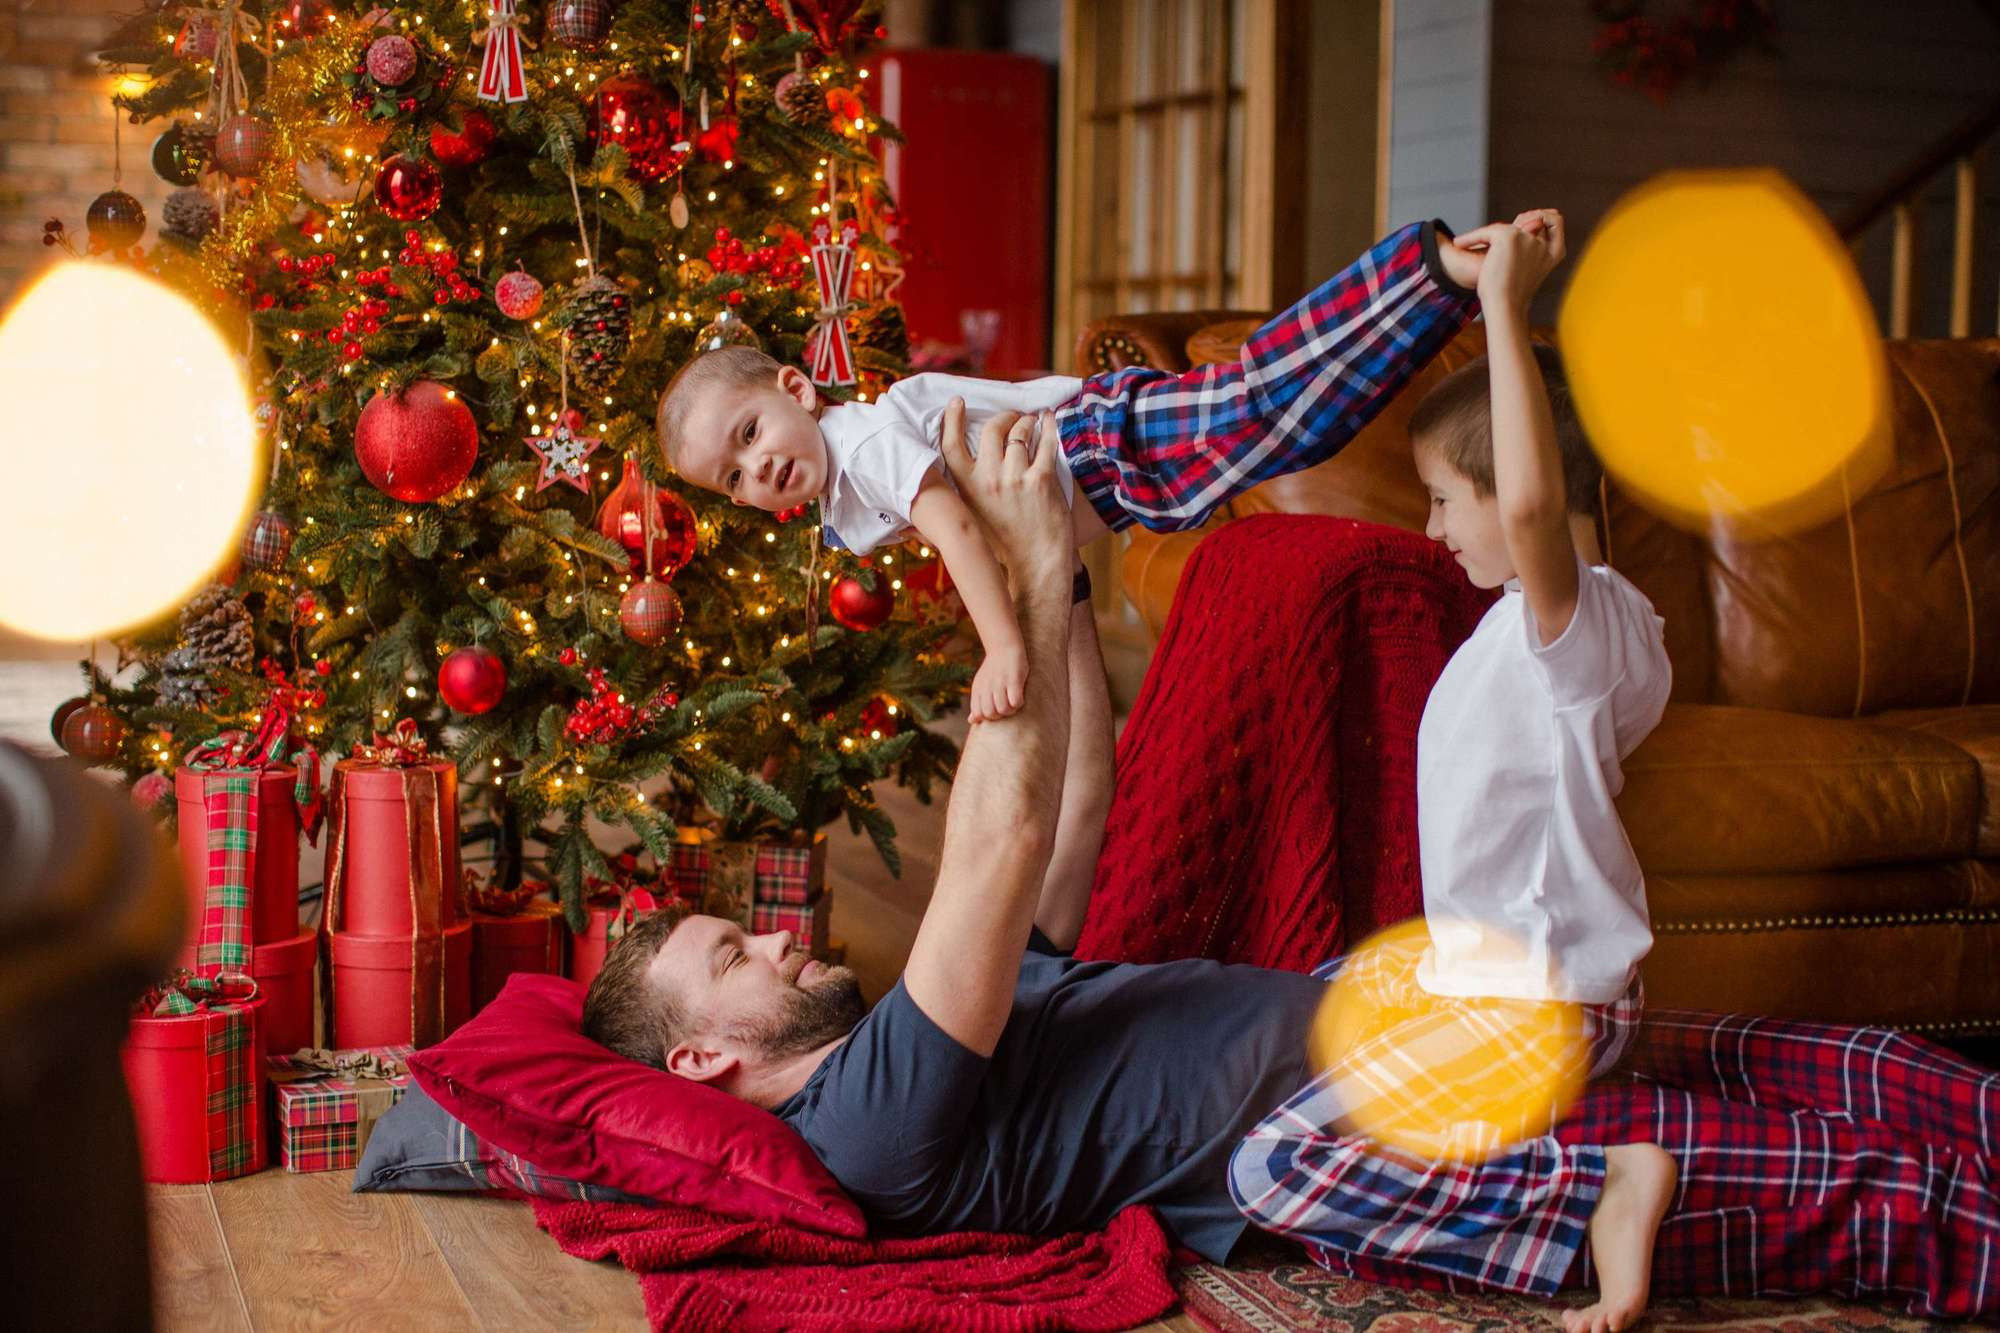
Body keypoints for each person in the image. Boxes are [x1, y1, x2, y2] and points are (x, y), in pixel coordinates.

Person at [589, 365, 2000, 1327]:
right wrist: (1010, 575)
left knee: (1829, 1068)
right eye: (738, 951)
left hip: (1405, 1005)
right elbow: (998, 832)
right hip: (1386, 1104)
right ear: (707, 1057)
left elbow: (1073, 808)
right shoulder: (873, 1113)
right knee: (1853, 1186)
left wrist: (1064, 587)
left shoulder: (916, 1027)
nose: (783, 931)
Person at [1231, 211, 1680, 1333]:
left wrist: (1500, 308)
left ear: (1515, 491)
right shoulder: (1603, 626)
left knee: (1269, 1168)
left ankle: (1600, 1185)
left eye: (1440, 496)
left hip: (1537, 1015)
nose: (1430, 531)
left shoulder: (1561, 625)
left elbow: (1530, 505)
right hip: (1549, 996)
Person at [655, 216, 1496, 723]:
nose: (755, 467)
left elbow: (955, 529)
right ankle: (1441, 292)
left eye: (750, 431)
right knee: (1296, 425)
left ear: (798, 389)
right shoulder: (847, 483)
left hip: (1104, 447)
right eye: (731, 477)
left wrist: (1003, 648)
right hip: (1116, 474)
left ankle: (1427, 267)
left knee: (1264, 392)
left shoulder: (865, 445)